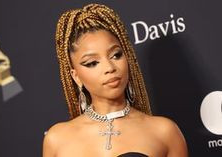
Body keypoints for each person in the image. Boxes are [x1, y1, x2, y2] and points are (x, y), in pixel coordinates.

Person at [43, 3, 188, 157]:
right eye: (92, 63)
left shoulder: (164, 132)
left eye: (116, 55)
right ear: (76, 76)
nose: (109, 67)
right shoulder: (57, 139)